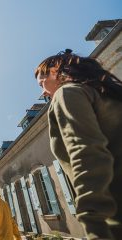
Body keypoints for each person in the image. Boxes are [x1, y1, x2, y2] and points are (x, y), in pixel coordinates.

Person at [35, 49, 122, 240]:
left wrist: (93, 221)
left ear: (56, 71)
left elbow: (88, 156)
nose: (43, 92)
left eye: (42, 83)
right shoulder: (108, 95)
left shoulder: (67, 93)